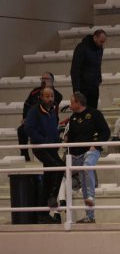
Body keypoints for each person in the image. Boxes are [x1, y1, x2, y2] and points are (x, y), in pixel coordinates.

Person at [66, 92, 110, 223]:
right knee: (64, 175)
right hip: (76, 154)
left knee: (87, 167)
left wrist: (95, 145)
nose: (69, 105)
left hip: (91, 151)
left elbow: (106, 132)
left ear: (78, 103)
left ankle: (90, 197)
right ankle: (89, 216)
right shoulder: (73, 118)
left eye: (71, 102)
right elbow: (71, 138)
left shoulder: (95, 114)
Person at [24, 87, 64, 224]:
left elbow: (53, 129)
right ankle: (47, 204)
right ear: (41, 97)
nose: (50, 99)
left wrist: (57, 141)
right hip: (40, 147)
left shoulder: (52, 111)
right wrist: (43, 140)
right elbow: (28, 128)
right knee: (53, 167)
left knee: (61, 167)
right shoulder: (34, 110)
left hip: (51, 148)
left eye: (52, 96)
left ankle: (49, 202)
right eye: (47, 96)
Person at [18, 72, 62, 161]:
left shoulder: (57, 95)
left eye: (46, 79)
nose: (44, 80)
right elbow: (27, 105)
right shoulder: (34, 92)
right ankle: (24, 154)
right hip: (33, 120)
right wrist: (25, 117)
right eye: (42, 78)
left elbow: (48, 105)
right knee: (21, 130)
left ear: (52, 81)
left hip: (47, 121)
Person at [70, 29, 107, 109]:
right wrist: (76, 89)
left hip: (94, 87)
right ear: (95, 38)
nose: (102, 44)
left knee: (93, 112)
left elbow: (98, 65)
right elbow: (75, 69)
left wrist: (99, 79)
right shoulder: (81, 48)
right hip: (83, 87)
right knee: (82, 111)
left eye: (103, 42)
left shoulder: (100, 49)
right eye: (101, 41)